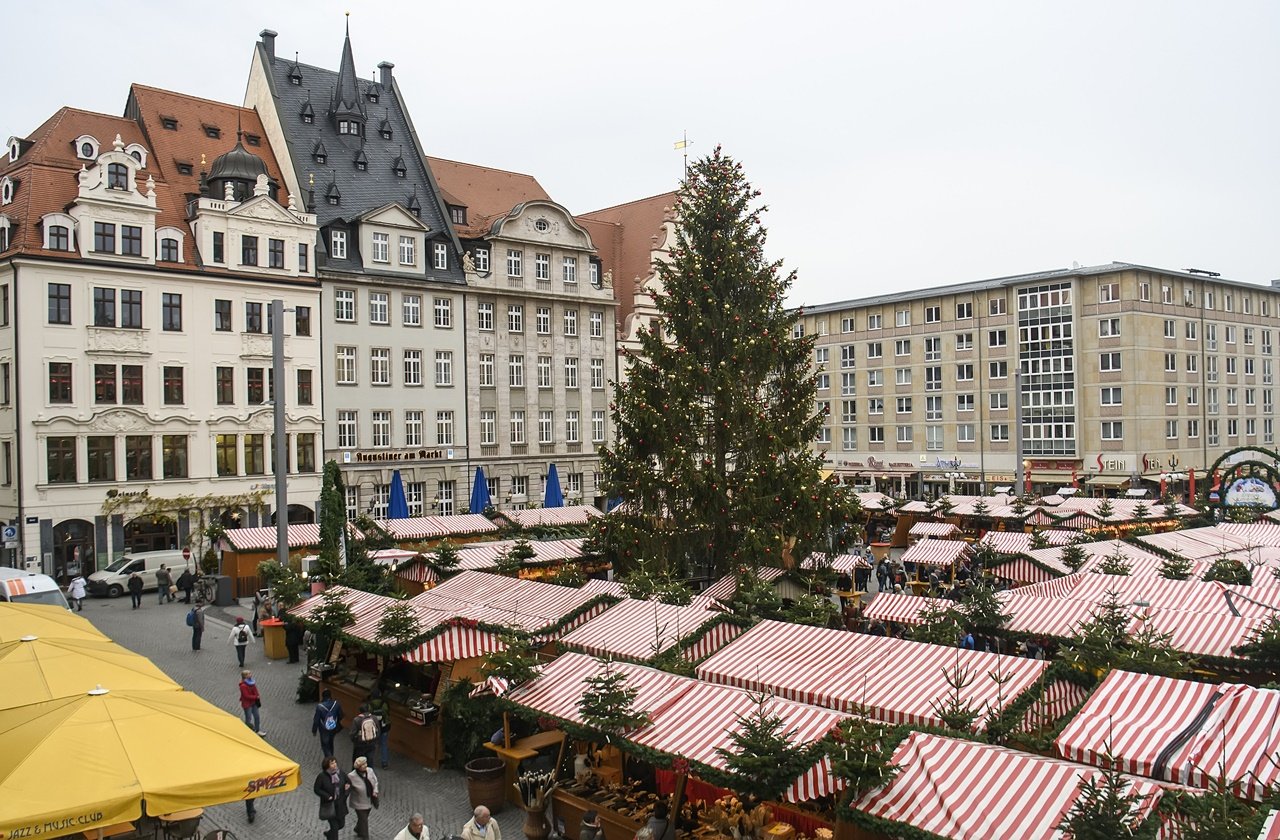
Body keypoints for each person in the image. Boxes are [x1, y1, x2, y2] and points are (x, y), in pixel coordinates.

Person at [313, 755, 350, 840]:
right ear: (327, 765)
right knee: (335, 827)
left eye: (335, 762)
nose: (335, 764)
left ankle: (329, 834)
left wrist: (346, 790)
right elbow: (317, 789)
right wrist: (327, 796)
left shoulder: (341, 773)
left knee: (341, 824)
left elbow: (348, 783)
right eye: (332, 763)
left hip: (340, 804)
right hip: (329, 805)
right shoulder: (322, 776)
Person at [346, 755, 380, 840]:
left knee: (363, 818)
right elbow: (347, 787)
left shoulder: (370, 771)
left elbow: (375, 781)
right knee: (364, 820)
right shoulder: (351, 776)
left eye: (365, 764)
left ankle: (358, 828)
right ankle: (365, 836)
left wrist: (375, 790)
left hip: (369, 800)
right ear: (358, 767)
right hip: (359, 802)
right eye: (363, 765)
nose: (365, 766)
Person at [312, 688, 345, 758]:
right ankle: (331, 756)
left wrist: (314, 730)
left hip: (324, 729)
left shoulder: (320, 707)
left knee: (325, 744)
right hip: (333, 728)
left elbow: (316, 720)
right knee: (331, 743)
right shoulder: (336, 704)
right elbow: (341, 715)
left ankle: (329, 760)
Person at [367, 687, 392, 768]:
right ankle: (384, 763)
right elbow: (387, 713)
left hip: (374, 727)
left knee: (373, 744)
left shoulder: (370, 704)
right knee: (384, 744)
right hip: (384, 727)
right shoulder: (384, 703)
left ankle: (370, 761)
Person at [239, 669, 264, 735]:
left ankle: (257, 730)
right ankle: (247, 731)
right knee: (248, 718)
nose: (251, 674)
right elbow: (246, 696)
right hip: (247, 704)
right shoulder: (243, 686)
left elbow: (255, 690)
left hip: (253, 703)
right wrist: (256, 697)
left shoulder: (252, 682)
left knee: (257, 716)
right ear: (245, 676)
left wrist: (257, 695)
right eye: (249, 674)